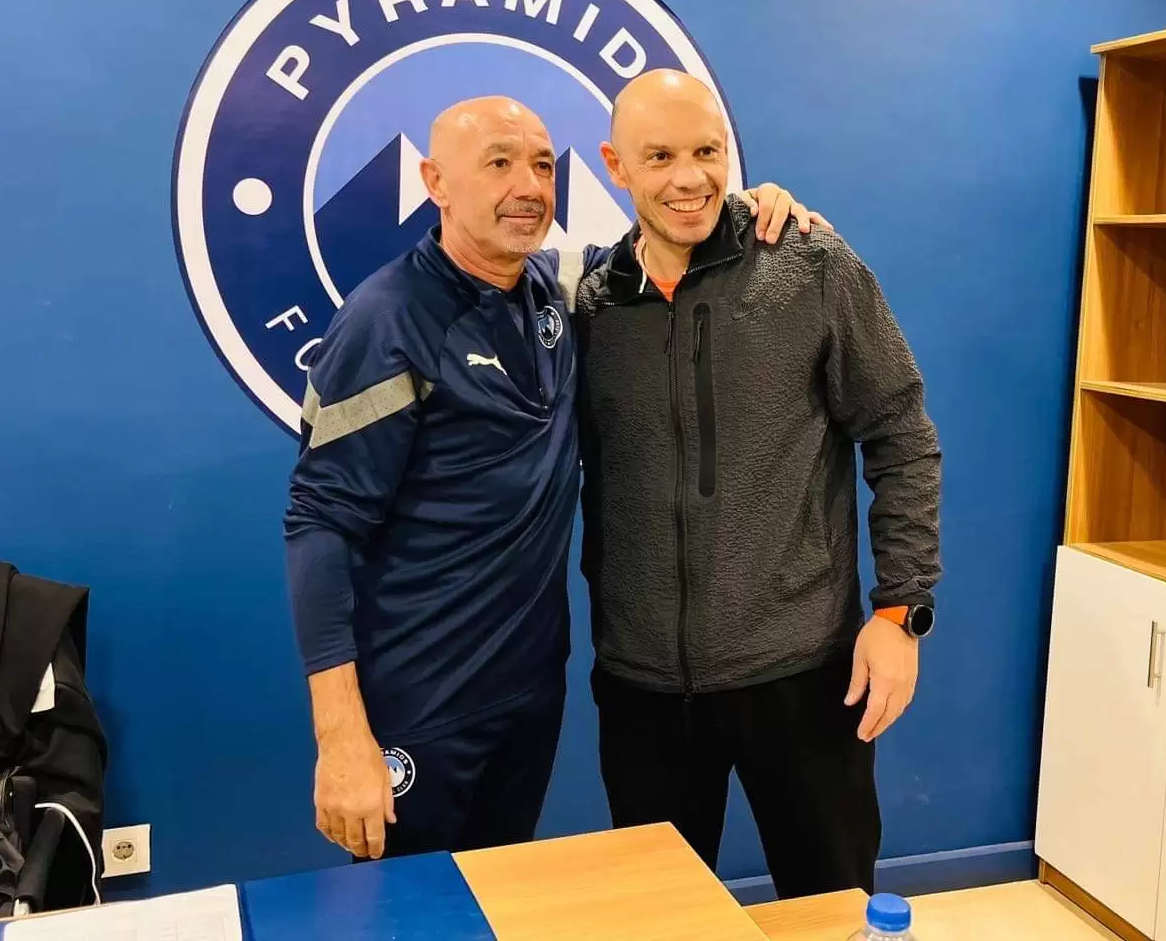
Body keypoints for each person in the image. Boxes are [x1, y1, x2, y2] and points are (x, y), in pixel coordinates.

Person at [282, 94, 819, 861]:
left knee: (499, 898)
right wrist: (340, 738)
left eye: (541, 164)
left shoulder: (558, 287)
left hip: (528, 698)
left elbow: (662, 240)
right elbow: (319, 524)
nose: (529, 186)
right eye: (498, 163)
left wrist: (750, 206)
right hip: (420, 706)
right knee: (411, 912)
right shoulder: (386, 321)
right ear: (435, 182)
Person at [574, 70, 942, 899]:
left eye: (707, 152)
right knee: (660, 917)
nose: (689, 178)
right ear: (615, 165)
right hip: (642, 689)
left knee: (832, 910)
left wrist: (902, 612)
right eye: (659, 156)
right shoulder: (595, 304)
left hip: (802, 675)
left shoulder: (808, 265)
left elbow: (902, 435)